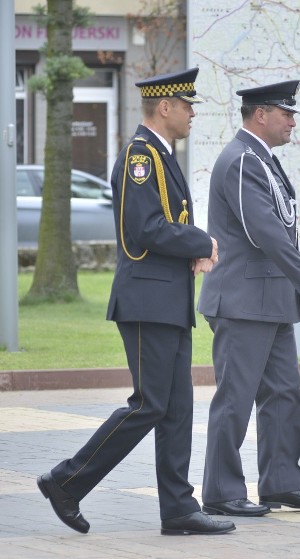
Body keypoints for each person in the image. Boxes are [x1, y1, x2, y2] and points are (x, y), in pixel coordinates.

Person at [37, 68, 234, 536]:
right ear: (164, 107)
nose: (191, 114)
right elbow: (145, 229)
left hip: (165, 300)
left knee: (176, 408)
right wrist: (200, 242)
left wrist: (191, 251)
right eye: (187, 105)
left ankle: (179, 509)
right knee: (148, 404)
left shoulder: (161, 155)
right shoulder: (139, 157)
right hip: (147, 301)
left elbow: (160, 227)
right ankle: (65, 480)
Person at [197, 80, 300, 517]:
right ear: (260, 115)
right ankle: (221, 492)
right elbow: (263, 230)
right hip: (243, 299)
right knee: (235, 399)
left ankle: (281, 483)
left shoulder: (261, 160)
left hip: (269, 299)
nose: (292, 121)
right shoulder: (241, 161)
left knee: (284, 395)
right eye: (286, 113)